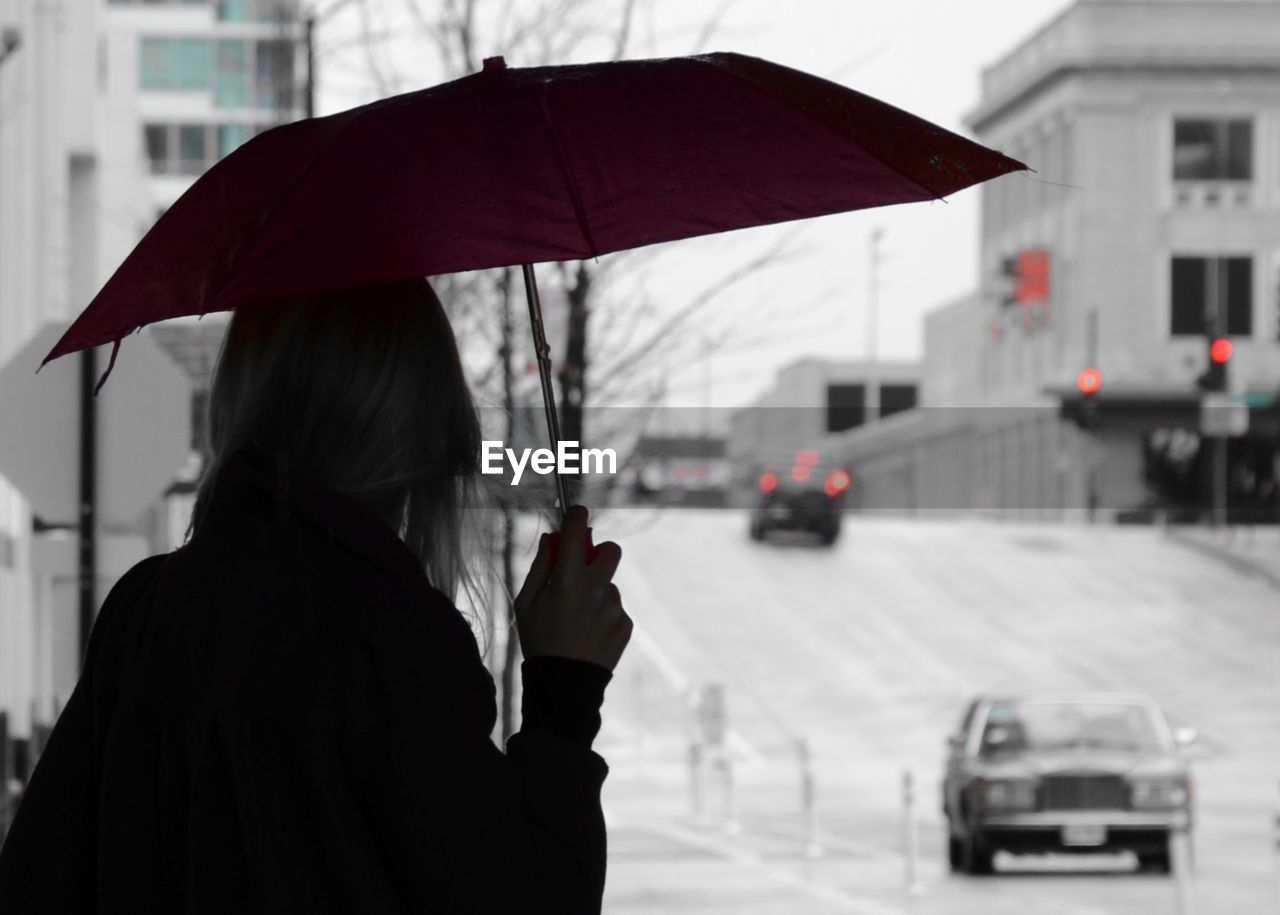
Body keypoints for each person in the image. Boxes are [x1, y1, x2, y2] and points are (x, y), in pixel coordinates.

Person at [0, 279, 632, 913]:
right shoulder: (391, 642)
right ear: (416, 426)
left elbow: (39, 879)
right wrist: (564, 695)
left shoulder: (146, 611)